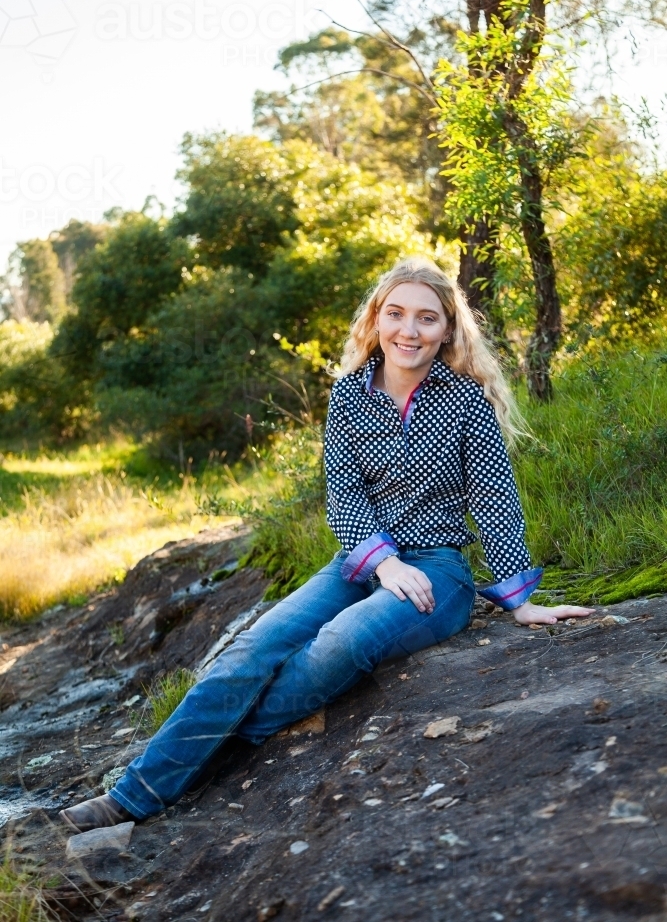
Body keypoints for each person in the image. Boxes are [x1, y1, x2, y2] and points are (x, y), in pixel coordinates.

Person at [60, 258, 592, 833]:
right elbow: (344, 499)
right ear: (376, 320)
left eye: (426, 318)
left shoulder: (466, 400)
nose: (409, 331)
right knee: (250, 651)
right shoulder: (348, 398)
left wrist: (519, 600)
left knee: (342, 640)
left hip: (439, 572)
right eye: (396, 314)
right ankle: (131, 797)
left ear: (448, 330)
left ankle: (211, 750)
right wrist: (382, 562)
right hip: (359, 562)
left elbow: (495, 499)